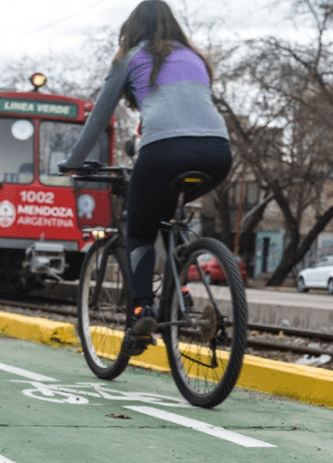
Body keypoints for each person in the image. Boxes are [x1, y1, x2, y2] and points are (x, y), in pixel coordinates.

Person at [59, 0, 233, 344]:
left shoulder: (129, 59)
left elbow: (99, 118)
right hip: (217, 152)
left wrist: (72, 161)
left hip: (163, 152)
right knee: (166, 215)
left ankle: (142, 311)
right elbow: (186, 107)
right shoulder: (196, 58)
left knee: (140, 230)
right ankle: (179, 285)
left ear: (132, 30)